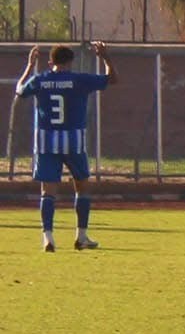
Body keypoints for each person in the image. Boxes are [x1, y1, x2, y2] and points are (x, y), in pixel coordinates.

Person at [15, 42, 117, 253]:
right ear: (70, 62)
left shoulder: (40, 80)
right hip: (73, 141)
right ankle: (81, 236)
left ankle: (48, 238)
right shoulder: (79, 80)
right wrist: (105, 57)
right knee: (81, 186)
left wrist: (29, 66)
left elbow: (20, 91)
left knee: (48, 191)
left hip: (46, 142)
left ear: (51, 62)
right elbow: (112, 79)